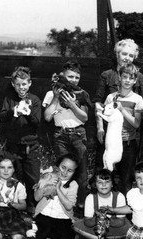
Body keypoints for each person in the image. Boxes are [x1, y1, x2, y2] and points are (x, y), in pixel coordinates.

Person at [43, 60, 92, 212]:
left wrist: (72, 105)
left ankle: (81, 205)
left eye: (77, 77)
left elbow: (84, 117)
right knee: (63, 172)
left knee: (82, 173)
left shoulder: (81, 93)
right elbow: (47, 117)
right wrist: (56, 98)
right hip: (61, 135)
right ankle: (61, 205)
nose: (74, 80)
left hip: (78, 134)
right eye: (70, 77)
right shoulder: (51, 93)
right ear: (62, 76)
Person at [94, 39, 143, 170]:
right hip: (110, 133)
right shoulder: (106, 75)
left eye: (131, 55)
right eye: (124, 54)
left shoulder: (138, 76)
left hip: (129, 133)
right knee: (106, 169)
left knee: (127, 171)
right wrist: (100, 127)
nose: (127, 58)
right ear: (117, 54)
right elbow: (98, 103)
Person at [97, 63, 143, 195]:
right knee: (108, 176)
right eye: (125, 77)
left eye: (131, 78)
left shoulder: (137, 99)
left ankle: (125, 211)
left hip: (128, 144)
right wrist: (100, 127)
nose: (127, 80)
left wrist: (122, 109)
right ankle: (107, 207)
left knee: (126, 179)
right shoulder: (111, 97)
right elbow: (102, 113)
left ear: (135, 80)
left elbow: (136, 124)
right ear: (119, 78)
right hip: (112, 145)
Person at [0, 66, 42, 214]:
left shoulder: (35, 100)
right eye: (18, 84)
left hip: (31, 146)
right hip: (13, 146)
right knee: (13, 176)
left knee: (32, 177)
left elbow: (37, 123)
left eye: (24, 84)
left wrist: (28, 113)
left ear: (29, 83)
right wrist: (14, 111)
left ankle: (32, 205)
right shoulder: (9, 99)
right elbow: (2, 117)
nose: (21, 87)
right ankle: (13, 205)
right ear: (13, 84)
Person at [73, 168, 131, 239]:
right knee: (76, 226)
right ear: (95, 184)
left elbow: (121, 221)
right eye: (100, 182)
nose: (104, 185)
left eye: (107, 182)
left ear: (112, 184)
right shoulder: (90, 197)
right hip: (96, 225)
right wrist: (97, 219)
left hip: (114, 224)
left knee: (128, 228)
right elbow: (87, 221)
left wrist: (107, 221)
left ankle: (97, 238)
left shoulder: (119, 196)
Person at [34, 153, 79, 239]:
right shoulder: (47, 176)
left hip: (62, 217)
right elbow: (36, 198)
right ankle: (40, 229)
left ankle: (48, 232)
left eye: (70, 170)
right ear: (57, 165)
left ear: (74, 173)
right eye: (63, 167)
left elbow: (69, 206)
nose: (65, 172)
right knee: (41, 233)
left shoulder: (73, 185)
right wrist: (44, 184)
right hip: (44, 214)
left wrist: (58, 189)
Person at [0, 153, 28, 239]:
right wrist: (1, 197)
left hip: (13, 214)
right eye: (2, 167)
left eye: (9, 167)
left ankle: (12, 231)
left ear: (14, 170)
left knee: (17, 238)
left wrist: (13, 204)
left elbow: (23, 205)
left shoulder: (18, 185)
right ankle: (0, 232)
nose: (6, 171)